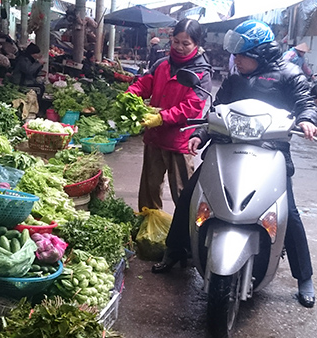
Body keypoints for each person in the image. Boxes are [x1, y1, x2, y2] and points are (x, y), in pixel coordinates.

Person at [153, 19, 317, 309]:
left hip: (271, 152)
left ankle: (304, 277)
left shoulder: (291, 75)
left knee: (287, 212)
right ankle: (174, 250)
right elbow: (217, 109)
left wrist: (307, 120)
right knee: (191, 196)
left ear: (260, 54)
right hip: (227, 148)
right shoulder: (235, 78)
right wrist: (200, 134)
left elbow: (306, 102)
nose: (235, 60)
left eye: (241, 55)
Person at [126, 18, 212, 212]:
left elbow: (191, 106)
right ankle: (147, 228)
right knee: (149, 189)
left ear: (196, 44)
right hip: (154, 138)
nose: (179, 47)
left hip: (178, 140)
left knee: (183, 194)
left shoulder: (201, 73)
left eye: (186, 44)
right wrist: (130, 94)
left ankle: (186, 234)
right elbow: (143, 85)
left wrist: (162, 117)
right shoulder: (161, 64)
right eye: (176, 42)